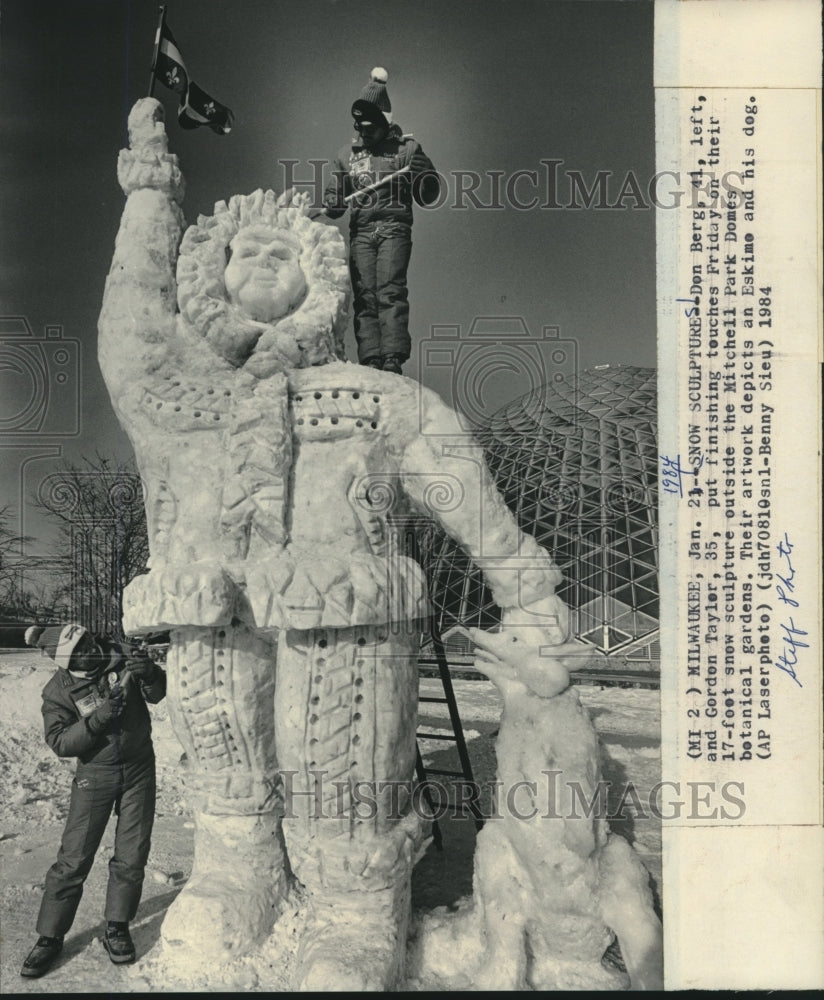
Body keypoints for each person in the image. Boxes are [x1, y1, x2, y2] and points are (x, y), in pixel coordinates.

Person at [19, 623, 167, 978]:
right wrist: (98, 720)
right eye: (82, 650)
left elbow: (157, 693)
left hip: (139, 768)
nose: (92, 650)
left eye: (90, 641)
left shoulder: (120, 655)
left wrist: (149, 673)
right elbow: (60, 742)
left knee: (132, 853)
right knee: (74, 857)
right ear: (69, 662)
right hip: (95, 775)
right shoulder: (58, 691)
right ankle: (50, 936)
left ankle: (117, 925)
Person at [319, 67, 441, 374]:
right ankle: (371, 358)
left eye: (371, 127)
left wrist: (426, 174)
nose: (364, 132)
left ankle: (392, 358)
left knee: (389, 290)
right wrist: (332, 202)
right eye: (359, 126)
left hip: (393, 228)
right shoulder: (347, 155)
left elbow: (428, 196)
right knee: (365, 295)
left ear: (385, 123)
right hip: (361, 233)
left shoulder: (406, 150)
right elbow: (335, 201)